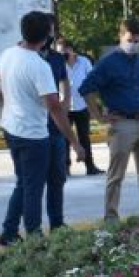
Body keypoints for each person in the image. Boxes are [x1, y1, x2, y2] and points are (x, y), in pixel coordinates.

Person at [0, 10, 82, 246]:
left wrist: (5, 105)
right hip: (33, 134)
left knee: (24, 183)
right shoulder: (39, 66)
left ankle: (9, 232)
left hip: (12, 129)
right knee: (33, 187)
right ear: (47, 36)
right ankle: (33, 236)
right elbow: (55, 109)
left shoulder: (9, 55)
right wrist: (74, 142)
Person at [80, 18, 139, 221]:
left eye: (137, 40)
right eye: (130, 39)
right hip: (121, 124)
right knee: (116, 175)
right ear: (121, 37)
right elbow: (86, 88)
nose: (133, 44)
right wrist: (98, 116)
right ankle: (111, 216)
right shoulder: (107, 63)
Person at [40, 16, 73, 231]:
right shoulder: (24, 57)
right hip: (32, 129)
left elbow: (64, 80)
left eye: (53, 30)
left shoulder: (56, 58)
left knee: (57, 178)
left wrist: (66, 100)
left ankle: (57, 223)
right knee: (30, 184)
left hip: (55, 127)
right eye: (48, 30)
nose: (51, 35)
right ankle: (28, 229)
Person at [59, 37, 102, 175]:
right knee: (64, 138)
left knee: (84, 137)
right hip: (64, 106)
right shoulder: (58, 63)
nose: (62, 55)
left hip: (82, 105)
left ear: (71, 49)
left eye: (64, 51)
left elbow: (91, 79)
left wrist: (92, 101)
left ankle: (90, 166)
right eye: (59, 52)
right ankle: (65, 168)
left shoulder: (84, 61)